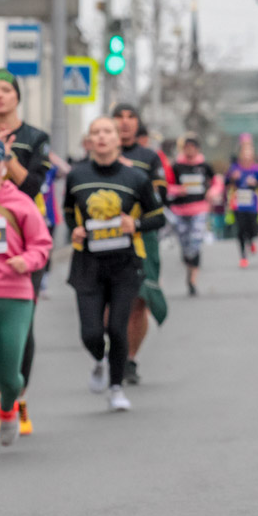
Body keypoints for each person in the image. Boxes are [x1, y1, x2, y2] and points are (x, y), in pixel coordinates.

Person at [63, 116, 165, 412]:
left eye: (107, 131)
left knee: (118, 330)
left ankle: (117, 388)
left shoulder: (135, 178)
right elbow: (69, 212)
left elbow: (158, 216)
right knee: (91, 333)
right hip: (88, 265)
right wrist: (75, 229)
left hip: (124, 265)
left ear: (118, 139)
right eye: (96, 132)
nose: (102, 137)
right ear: (90, 140)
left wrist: (134, 223)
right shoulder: (77, 175)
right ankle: (99, 360)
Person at [0, 68, 51, 437]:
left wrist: (6, 155)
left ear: (16, 97)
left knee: (13, 357)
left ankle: (13, 400)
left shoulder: (34, 138)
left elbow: (32, 184)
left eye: (4, 91)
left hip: (16, 278)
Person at [111, 104, 169, 385]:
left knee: (138, 301)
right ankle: (115, 351)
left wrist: (134, 180)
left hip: (142, 236)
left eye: (130, 117)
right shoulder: (100, 155)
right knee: (109, 299)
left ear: (137, 124)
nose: (124, 123)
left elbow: (160, 198)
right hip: (106, 237)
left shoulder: (148, 157)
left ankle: (130, 358)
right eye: (119, 118)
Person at [170, 133, 213, 295]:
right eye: (186, 148)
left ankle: (193, 278)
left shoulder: (204, 166)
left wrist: (213, 192)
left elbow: (216, 182)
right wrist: (176, 190)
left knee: (195, 240)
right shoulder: (176, 166)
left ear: (198, 149)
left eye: (192, 148)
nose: (190, 151)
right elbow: (167, 185)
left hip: (199, 208)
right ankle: (189, 265)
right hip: (180, 210)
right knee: (184, 243)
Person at [225, 137, 258, 266]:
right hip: (238, 204)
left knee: (253, 228)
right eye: (244, 153)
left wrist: (255, 184)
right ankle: (243, 256)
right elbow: (226, 183)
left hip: (253, 204)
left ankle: (252, 240)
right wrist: (233, 179)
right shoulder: (234, 168)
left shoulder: (257, 169)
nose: (247, 156)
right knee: (241, 229)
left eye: (249, 153)